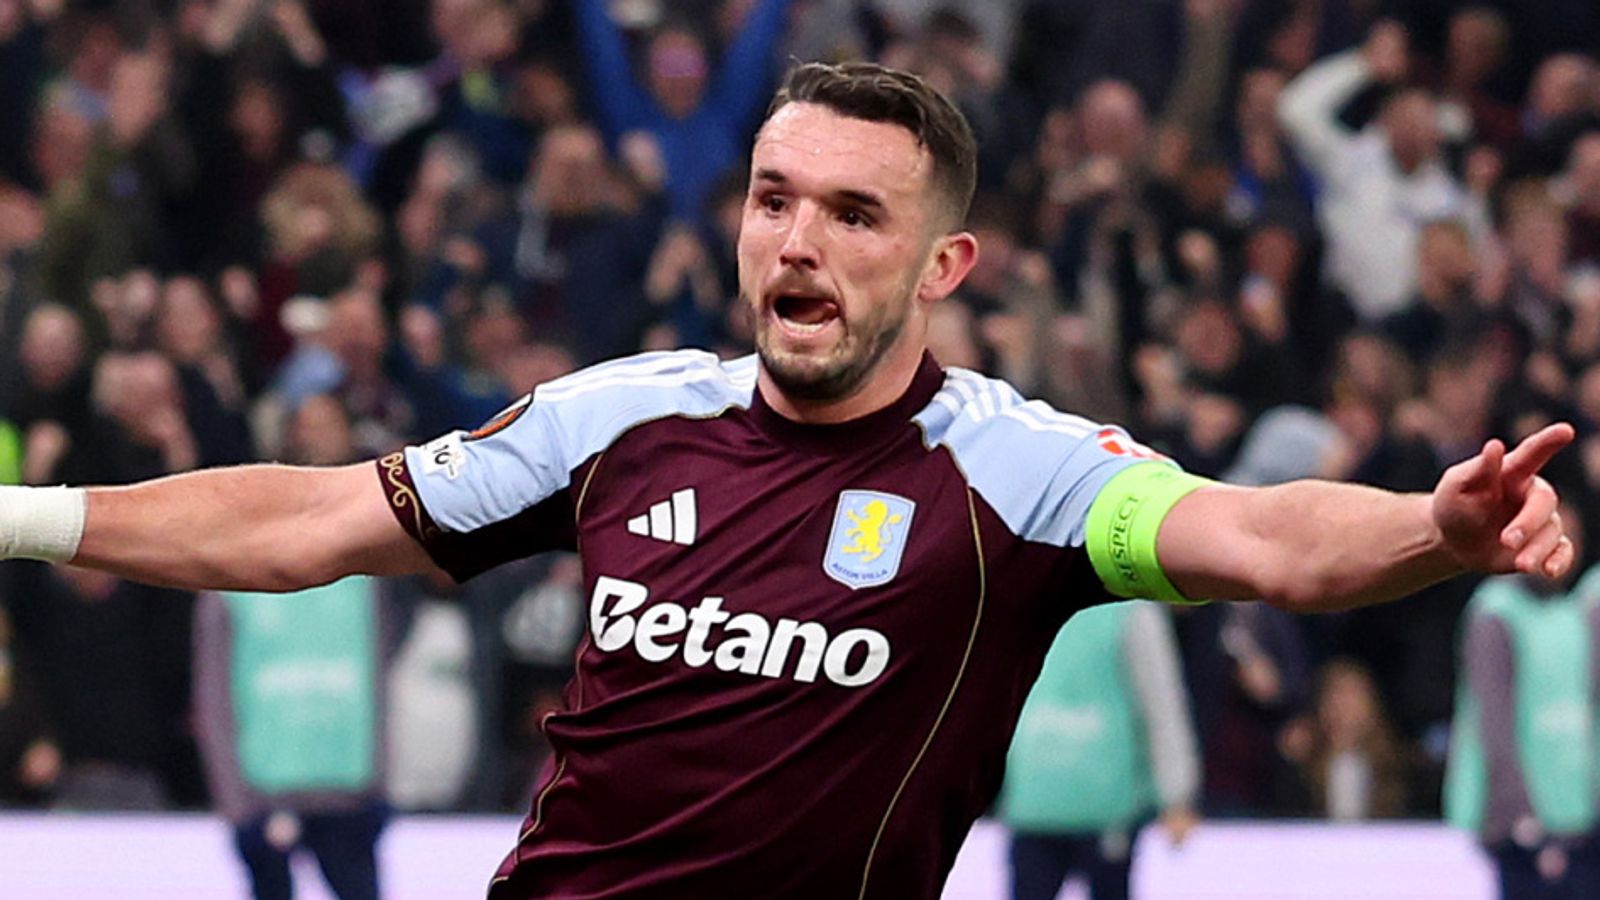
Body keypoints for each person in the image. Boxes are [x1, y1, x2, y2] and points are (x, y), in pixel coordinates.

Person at [0, 62, 1578, 899]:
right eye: (771, 200)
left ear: (945, 261)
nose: (798, 241)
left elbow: (1260, 535)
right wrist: (20, 516)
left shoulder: (1016, 472)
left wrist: (1434, 530)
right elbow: (309, 519)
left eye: (851, 212)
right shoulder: (619, 421)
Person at [998, 600, 1200, 900]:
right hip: (1088, 800)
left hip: (1052, 796)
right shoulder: (1131, 609)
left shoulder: (1024, 597)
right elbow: (1161, 702)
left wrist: (1176, 794)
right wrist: (1177, 795)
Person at [1446, 506, 1600, 899]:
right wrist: (1521, 816)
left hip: (1573, 815)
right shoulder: (1496, 614)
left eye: (1570, 540)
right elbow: (1494, 722)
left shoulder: (1571, 613)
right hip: (1520, 822)